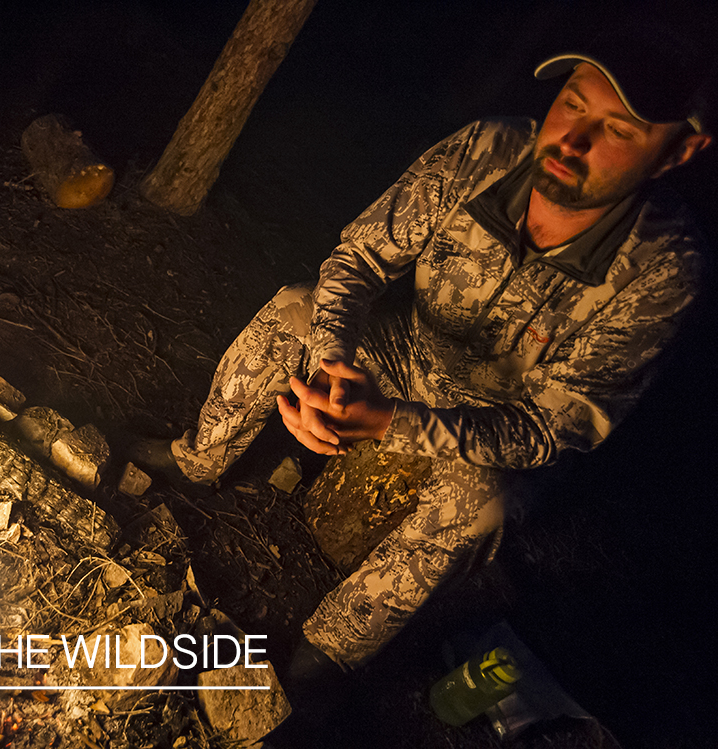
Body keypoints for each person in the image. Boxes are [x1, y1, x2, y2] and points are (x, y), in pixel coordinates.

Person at [130, 25, 713, 676]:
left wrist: (388, 422)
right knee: (295, 307)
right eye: (572, 103)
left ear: (676, 153)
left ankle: (324, 654)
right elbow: (358, 260)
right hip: (410, 349)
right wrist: (334, 363)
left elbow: (553, 426)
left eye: (618, 130)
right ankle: (198, 458)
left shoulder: (661, 270)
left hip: (498, 418)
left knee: (480, 504)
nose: (572, 140)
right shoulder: (486, 152)